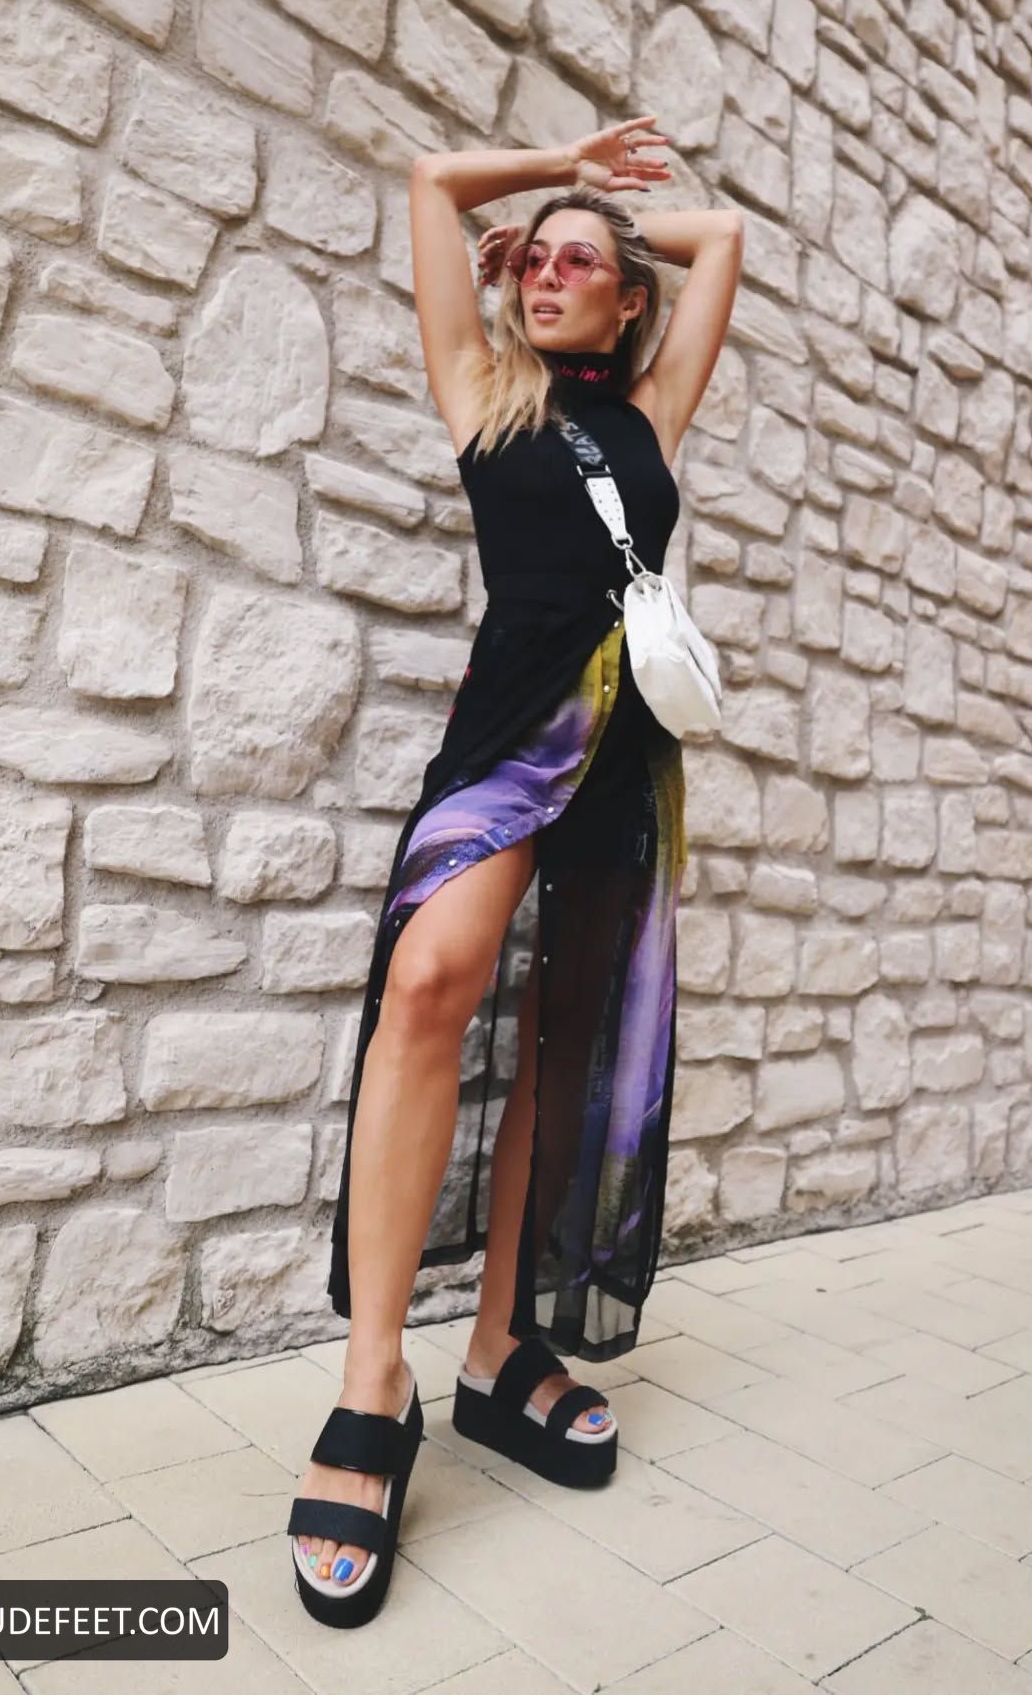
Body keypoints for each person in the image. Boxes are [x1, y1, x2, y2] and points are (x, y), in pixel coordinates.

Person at [286, 113, 744, 1626]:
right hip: (511, 730)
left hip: (627, 751)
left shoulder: (655, 409)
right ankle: (375, 1381)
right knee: (433, 982)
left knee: (568, 1037)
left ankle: (497, 1353)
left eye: (579, 268)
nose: (548, 275)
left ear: (627, 301)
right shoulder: (485, 391)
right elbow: (429, 183)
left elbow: (723, 241)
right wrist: (560, 174)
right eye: (532, 264)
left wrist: (612, 217)